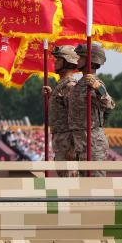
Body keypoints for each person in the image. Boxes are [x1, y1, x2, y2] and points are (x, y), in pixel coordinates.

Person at [69, 43, 116, 177]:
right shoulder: (80, 84)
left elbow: (109, 104)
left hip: (93, 142)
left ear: (91, 60)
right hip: (80, 141)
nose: (77, 60)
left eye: (81, 57)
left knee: (96, 183)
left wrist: (97, 88)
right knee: (83, 184)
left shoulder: (95, 83)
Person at [45, 45, 80, 177]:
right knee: (63, 177)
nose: (55, 62)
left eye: (59, 59)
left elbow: (76, 118)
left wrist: (73, 147)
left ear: (68, 62)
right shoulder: (62, 86)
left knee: (69, 180)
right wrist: (51, 96)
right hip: (61, 140)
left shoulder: (70, 86)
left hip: (67, 142)